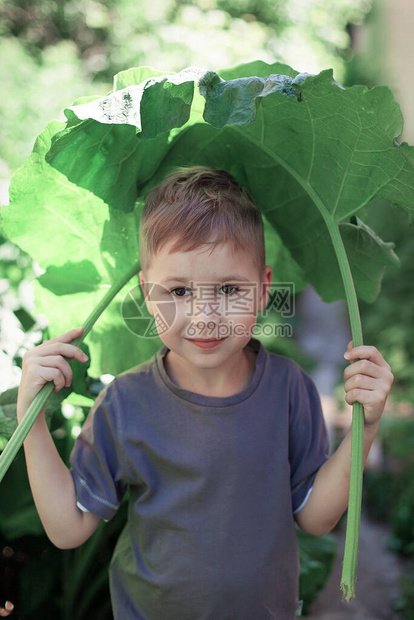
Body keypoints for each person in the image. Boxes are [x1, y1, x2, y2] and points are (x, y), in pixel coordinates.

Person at [16, 167, 394, 619]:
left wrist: (365, 428)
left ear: (264, 289)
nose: (205, 315)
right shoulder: (125, 403)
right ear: (147, 295)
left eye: (230, 289)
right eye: (178, 291)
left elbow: (315, 518)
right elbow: (69, 528)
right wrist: (31, 419)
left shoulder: (290, 388)